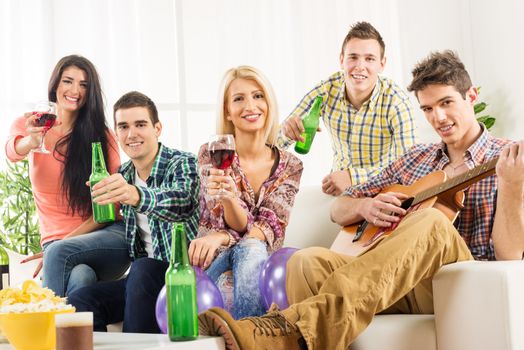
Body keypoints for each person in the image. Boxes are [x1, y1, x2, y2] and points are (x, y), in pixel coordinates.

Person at [198, 51, 524, 349]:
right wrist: (363, 206)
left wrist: (511, 187)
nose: (438, 117)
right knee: (303, 263)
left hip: (458, 281)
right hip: (396, 279)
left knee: (432, 221)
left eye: (447, 103)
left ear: (472, 97)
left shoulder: (508, 157)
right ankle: (297, 334)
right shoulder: (417, 158)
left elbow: (511, 254)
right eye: (427, 108)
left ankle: (284, 328)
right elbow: (339, 207)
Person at [67, 91, 200, 333]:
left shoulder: (182, 163)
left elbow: (183, 203)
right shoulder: (124, 173)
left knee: (143, 267)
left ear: (157, 128)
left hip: (182, 277)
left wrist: (136, 195)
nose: (131, 134)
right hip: (143, 280)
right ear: (116, 133)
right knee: (80, 303)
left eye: (140, 124)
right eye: (123, 126)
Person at [4, 55, 129, 295]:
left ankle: (47, 326)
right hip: (56, 245)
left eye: (84, 85)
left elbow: (110, 209)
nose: (75, 90)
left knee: (60, 254)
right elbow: (12, 151)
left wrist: (62, 246)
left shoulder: (102, 136)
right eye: (68, 81)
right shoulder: (32, 123)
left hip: (105, 236)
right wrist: (32, 140)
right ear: (55, 85)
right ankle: (86, 332)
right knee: (82, 276)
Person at [189, 66, 303, 319]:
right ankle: (254, 337)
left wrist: (221, 237)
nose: (250, 106)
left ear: (269, 103)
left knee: (253, 248)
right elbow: (221, 221)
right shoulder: (210, 153)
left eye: (258, 96)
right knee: (251, 246)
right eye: (239, 99)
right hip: (214, 263)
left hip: (259, 263)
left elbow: (269, 227)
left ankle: (247, 338)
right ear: (227, 111)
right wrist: (229, 203)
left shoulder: (291, 166)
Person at [278, 21, 417, 196]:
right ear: (342, 60)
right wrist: (286, 132)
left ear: (382, 64)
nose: (360, 66)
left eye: (369, 59)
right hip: (338, 192)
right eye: (353, 57)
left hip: (383, 191)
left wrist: (353, 177)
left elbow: (409, 166)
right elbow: (273, 141)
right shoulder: (326, 91)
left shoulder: (396, 101)